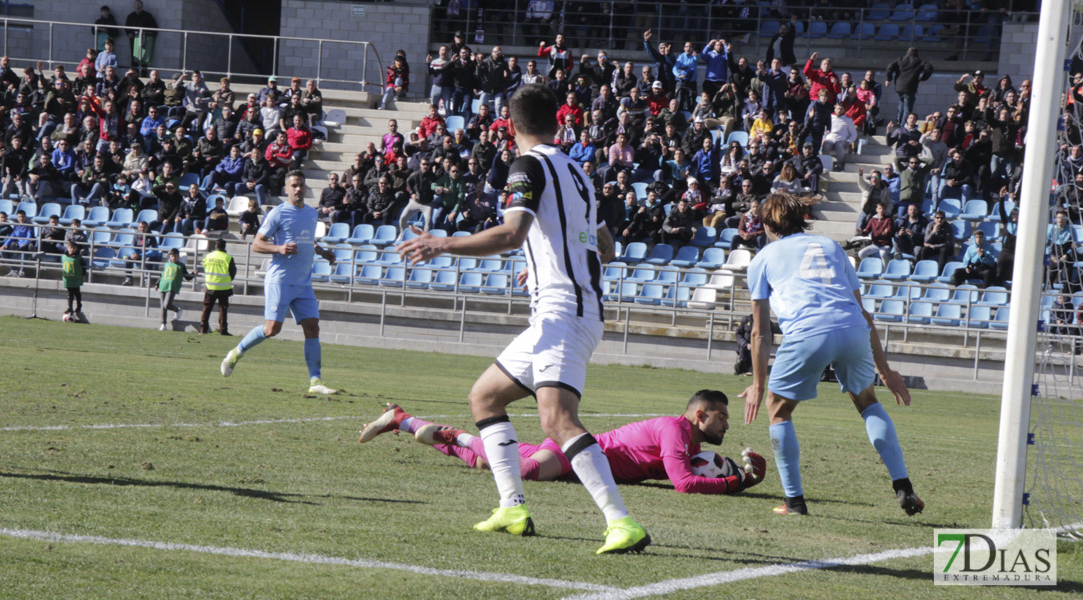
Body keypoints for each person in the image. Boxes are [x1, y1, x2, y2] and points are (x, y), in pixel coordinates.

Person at [393, 83, 649, 554]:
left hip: (563, 311)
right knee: (485, 397)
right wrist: (548, 263)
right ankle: (512, 506)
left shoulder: (527, 165)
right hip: (570, 307)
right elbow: (607, 247)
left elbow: (512, 233)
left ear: (511, 126)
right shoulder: (578, 170)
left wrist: (441, 243)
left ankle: (622, 521)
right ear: (558, 121)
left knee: (557, 420)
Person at [740, 191, 922, 518]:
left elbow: (760, 331)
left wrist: (757, 384)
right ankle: (904, 486)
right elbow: (864, 314)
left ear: (767, 224)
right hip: (852, 329)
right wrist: (886, 371)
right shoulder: (829, 246)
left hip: (808, 332)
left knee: (778, 408)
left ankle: (794, 502)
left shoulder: (762, 259)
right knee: (867, 401)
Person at [362, 391, 766, 495]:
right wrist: (736, 484)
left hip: (580, 466)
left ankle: (402, 419)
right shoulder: (674, 429)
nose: (727, 424)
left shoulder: (694, 447)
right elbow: (684, 483)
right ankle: (457, 434)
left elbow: (699, 470)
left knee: (486, 463)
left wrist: (739, 470)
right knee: (525, 471)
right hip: (579, 452)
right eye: (722, 416)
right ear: (700, 416)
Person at [220, 171, 339, 395]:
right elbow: (257, 244)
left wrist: (323, 253)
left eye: (302, 185)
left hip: (303, 282)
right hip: (281, 280)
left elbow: (307, 241)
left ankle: (315, 382)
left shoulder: (312, 214)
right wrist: (279, 248)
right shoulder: (278, 213)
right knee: (271, 329)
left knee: (312, 327)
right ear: (286, 189)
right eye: (294, 185)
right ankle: (236, 353)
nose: (298, 189)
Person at [885, 48, 934, 124]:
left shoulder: (900, 59)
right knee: (907, 108)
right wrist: (923, 78)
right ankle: (903, 125)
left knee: (901, 102)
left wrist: (889, 79)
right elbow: (929, 68)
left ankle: (899, 119)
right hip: (910, 87)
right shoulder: (919, 61)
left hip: (899, 86)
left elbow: (889, 67)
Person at [200, 238, 236, 336]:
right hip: (224, 288)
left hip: (210, 287)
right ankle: (223, 330)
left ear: (216, 246)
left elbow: (205, 269)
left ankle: (203, 329)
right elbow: (233, 272)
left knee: (207, 308)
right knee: (223, 309)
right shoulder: (228, 258)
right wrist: (226, 280)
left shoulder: (208, 256)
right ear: (224, 247)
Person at [156, 248, 194, 331]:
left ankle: (177, 310)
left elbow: (187, 277)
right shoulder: (166, 264)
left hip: (172, 286)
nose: (173, 258)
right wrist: (157, 284)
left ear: (178, 256)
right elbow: (162, 275)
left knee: (167, 305)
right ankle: (163, 324)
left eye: (175, 256)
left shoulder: (181, 265)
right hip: (163, 286)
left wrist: (193, 274)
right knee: (163, 307)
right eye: (172, 256)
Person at [61, 241, 87, 323]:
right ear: (68, 248)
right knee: (70, 293)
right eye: (70, 248)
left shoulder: (78, 257)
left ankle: (78, 306)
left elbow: (83, 266)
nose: (72, 249)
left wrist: (83, 273)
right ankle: (70, 307)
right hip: (68, 278)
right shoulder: (64, 256)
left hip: (76, 278)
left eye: (74, 248)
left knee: (77, 292)